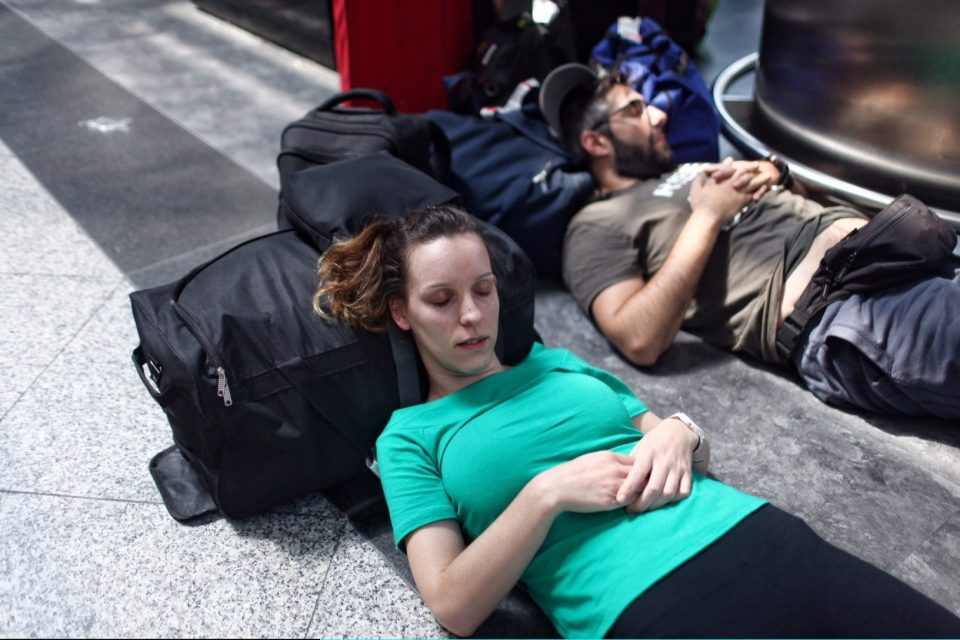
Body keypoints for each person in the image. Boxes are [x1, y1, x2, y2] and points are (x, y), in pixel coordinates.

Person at [313, 205, 960, 638]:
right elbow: (452, 604)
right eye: (442, 300)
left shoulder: (558, 364)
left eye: (483, 289)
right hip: (642, 603)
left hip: (756, 533)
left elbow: (678, 449)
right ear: (402, 313)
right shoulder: (409, 436)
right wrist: (545, 496)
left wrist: (683, 430)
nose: (474, 316)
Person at [538, 63, 960, 419]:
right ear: (595, 142)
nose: (658, 114)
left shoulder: (686, 168)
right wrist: (708, 214)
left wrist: (776, 174)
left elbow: (789, 210)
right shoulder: (594, 224)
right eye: (635, 109)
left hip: (900, 250)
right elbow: (638, 338)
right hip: (847, 306)